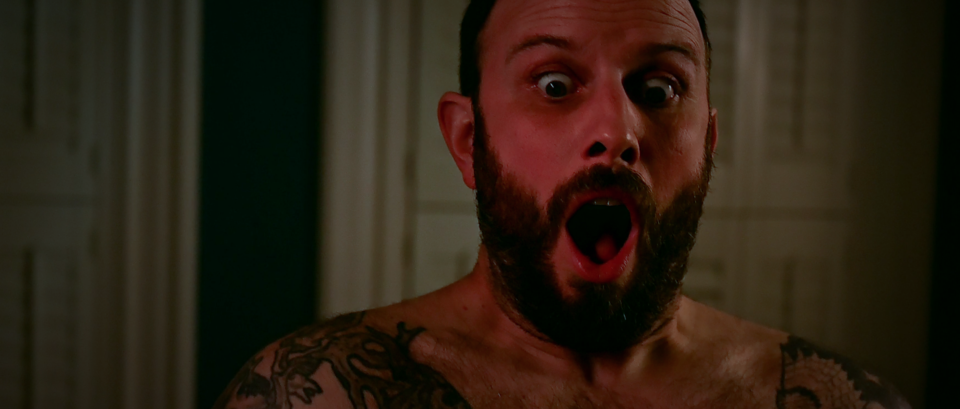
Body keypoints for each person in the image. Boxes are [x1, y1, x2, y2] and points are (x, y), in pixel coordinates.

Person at [214, 0, 911, 407]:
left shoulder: (833, 400)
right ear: (468, 141)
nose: (617, 131)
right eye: (554, 84)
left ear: (707, 142)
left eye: (659, 89)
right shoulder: (317, 393)